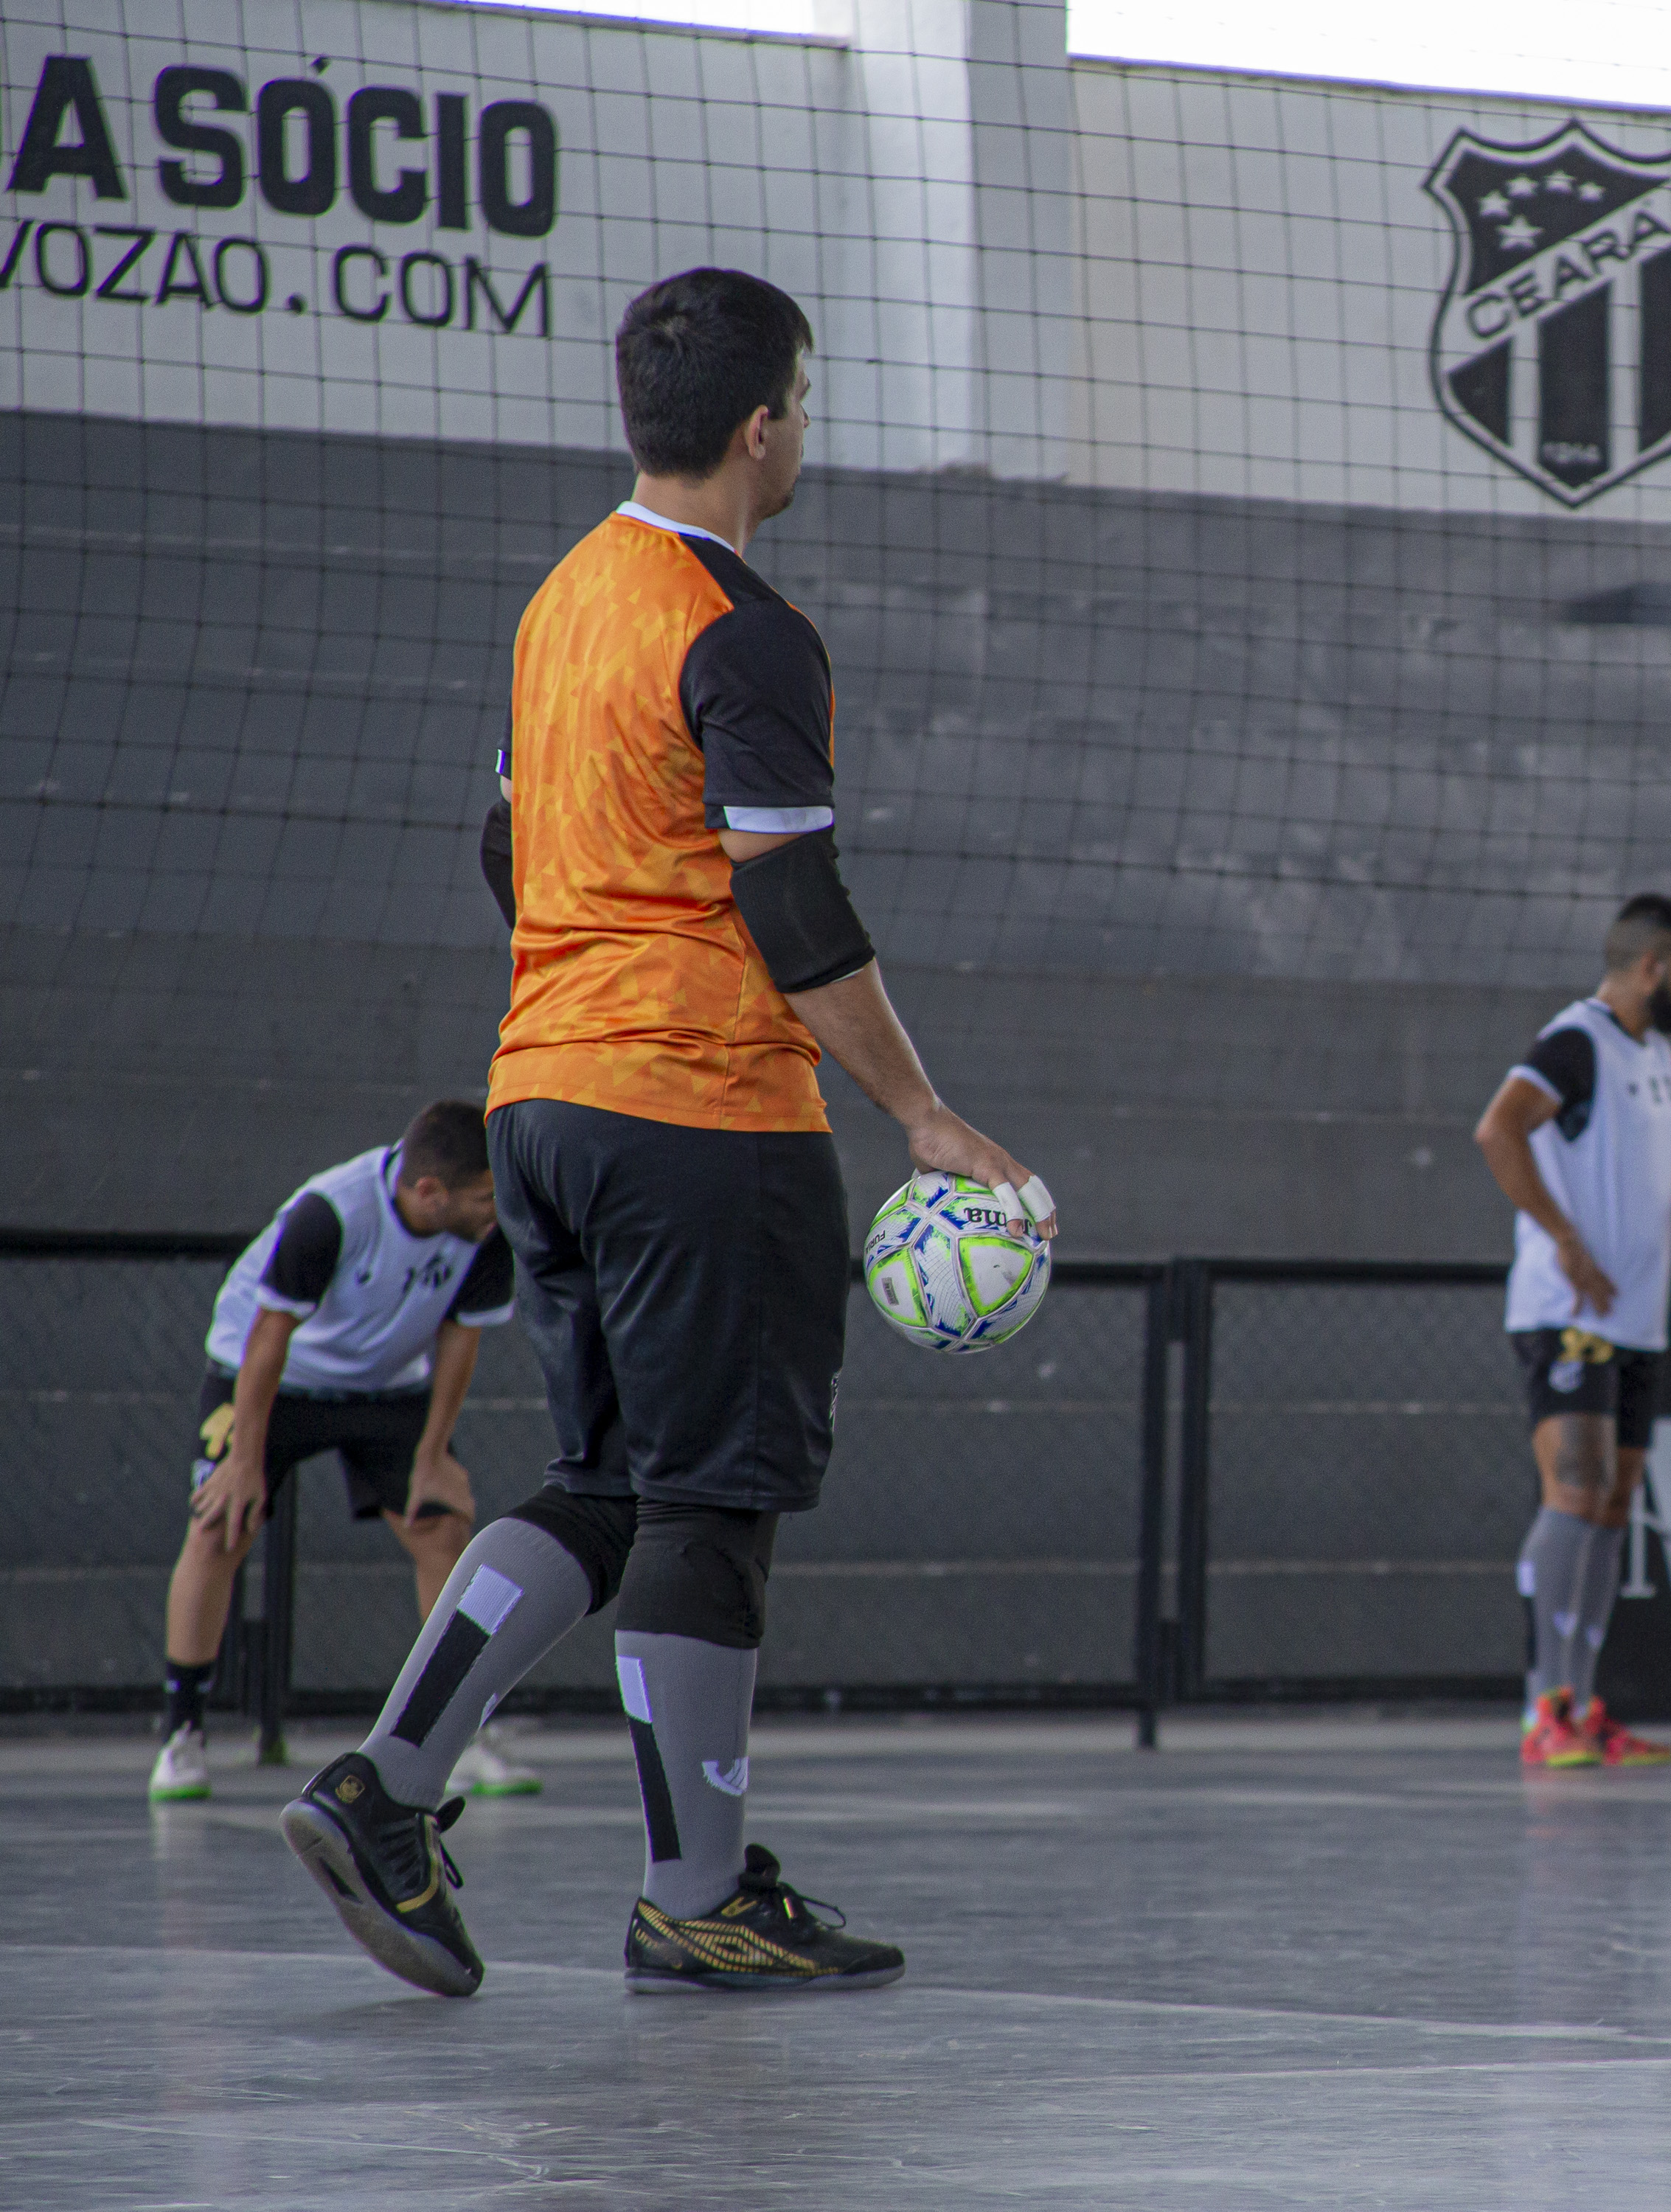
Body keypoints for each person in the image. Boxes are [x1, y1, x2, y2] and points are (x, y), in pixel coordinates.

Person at [279, 266, 1055, 2000]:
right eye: (807, 410)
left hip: (541, 1098)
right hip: (698, 1108)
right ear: (764, 423)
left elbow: (505, 848)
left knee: (610, 1483)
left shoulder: (564, 605)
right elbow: (790, 898)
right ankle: (694, 1895)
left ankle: (388, 1785)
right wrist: (923, 1113)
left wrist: (597, 960)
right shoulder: (740, 623)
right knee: (715, 1498)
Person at [149, 1102, 534, 1805]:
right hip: (270, 1373)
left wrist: (433, 1453)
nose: (496, 1208)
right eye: (484, 1196)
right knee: (218, 1528)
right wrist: (243, 1461)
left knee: (445, 1531)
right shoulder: (329, 1214)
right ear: (429, 1193)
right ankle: (184, 1736)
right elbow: (269, 1337)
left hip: (385, 1387)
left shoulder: (484, 1230)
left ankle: (466, 1734)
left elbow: (461, 1339)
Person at [1473, 893, 1671, 1772]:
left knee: (1613, 1504)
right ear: (1652, 966)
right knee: (1575, 1490)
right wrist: (1564, 1238)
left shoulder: (1652, 1057)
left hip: (1637, 1316)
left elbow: (1653, 1158)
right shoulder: (1577, 1039)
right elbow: (1499, 1131)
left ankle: (1584, 1706)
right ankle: (1543, 1710)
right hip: (1570, 1313)